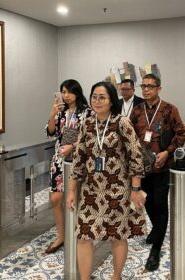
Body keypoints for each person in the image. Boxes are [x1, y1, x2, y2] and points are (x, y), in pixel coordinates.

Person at [66, 81, 146, 280]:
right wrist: (71, 189)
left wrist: (135, 189)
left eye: (102, 97)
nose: (97, 101)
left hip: (117, 190)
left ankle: (116, 276)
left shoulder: (121, 122)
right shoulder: (87, 123)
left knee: (116, 236)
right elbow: (79, 158)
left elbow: (136, 156)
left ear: (111, 100)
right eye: (94, 96)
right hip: (91, 190)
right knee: (84, 235)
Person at [129, 74, 185, 271]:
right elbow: (129, 137)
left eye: (150, 86)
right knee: (148, 202)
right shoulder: (136, 111)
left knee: (160, 203)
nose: (145, 90)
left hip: (162, 165)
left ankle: (156, 249)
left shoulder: (170, 109)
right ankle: (157, 229)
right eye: (143, 86)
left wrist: (167, 152)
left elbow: (181, 133)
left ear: (159, 88)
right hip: (143, 168)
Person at [45, 79, 89, 254]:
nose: (66, 95)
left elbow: (90, 136)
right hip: (59, 159)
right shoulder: (60, 112)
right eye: (63, 91)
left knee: (78, 199)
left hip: (79, 159)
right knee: (55, 199)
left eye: (69, 91)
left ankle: (80, 235)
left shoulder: (87, 112)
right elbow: (50, 133)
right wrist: (52, 113)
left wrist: (73, 146)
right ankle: (61, 235)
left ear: (77, 92)